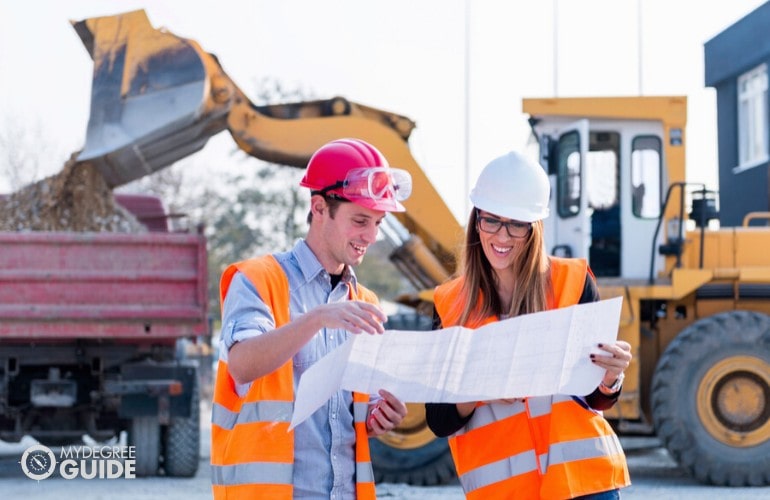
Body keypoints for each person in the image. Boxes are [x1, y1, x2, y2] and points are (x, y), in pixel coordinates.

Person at [425, 151, 632, 499]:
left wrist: (611, 378)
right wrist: (483, 390)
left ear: (533, 227)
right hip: (505, 491)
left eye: (516, 224)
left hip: (583, 483)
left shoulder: (573, 282)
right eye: (491, 220)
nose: (502, 236)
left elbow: (594, 398)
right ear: (477, 221)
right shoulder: (451, 306)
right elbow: (439, 419)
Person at [211, 138, 410, 499]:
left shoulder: (364, 302)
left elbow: (343, 415)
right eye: (360, 220)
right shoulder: (259, 280)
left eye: (378, 222)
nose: (371, 236)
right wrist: (317, 318)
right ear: (319, 207)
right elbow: (241, 365)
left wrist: (377, 415)